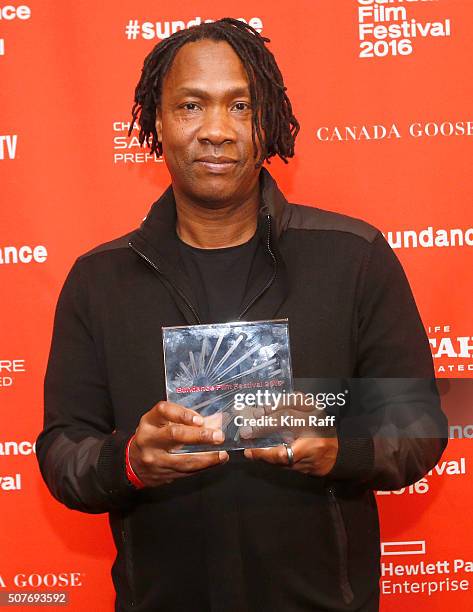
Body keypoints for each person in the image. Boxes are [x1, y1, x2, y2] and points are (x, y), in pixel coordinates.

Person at [36, 17, 448, 612]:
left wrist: (341, 451)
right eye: (190, 105)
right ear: (157, 122)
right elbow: (60, 450)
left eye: (240, 105)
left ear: (268, 123)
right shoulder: (99, 281)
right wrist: (127, 460)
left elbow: (418, 424)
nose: (216, 131)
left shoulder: (353, 257)